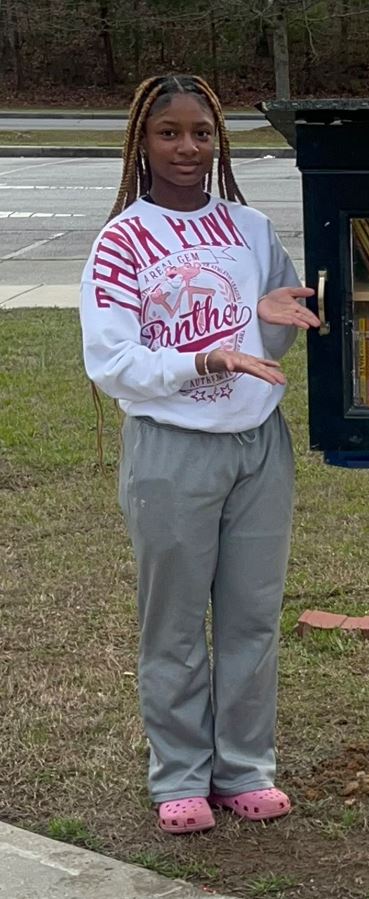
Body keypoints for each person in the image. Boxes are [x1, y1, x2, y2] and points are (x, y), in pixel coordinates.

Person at [79, 74, 319, 834]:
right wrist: (203, 360)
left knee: (251, 616)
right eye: (169, 132)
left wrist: (270, 316)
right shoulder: (124, 239)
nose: (189, 148)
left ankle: (243, 766)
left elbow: (270, 332)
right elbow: (111, 361)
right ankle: (179, 774)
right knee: (175, 622)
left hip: (257, 447)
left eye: (203, 132)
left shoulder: (250, 229)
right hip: (171, 451)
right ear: (141, 144)